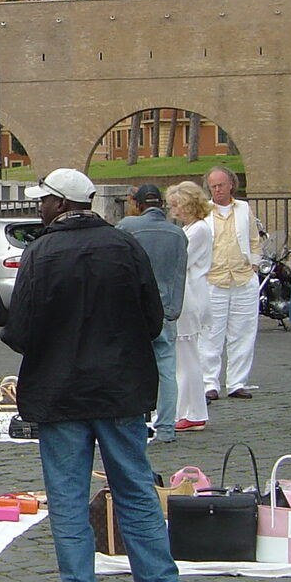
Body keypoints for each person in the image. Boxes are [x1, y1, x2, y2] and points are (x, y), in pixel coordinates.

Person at [1, 168, 183, 582]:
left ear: (61, 204)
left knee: (67, 499)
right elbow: (153, 320)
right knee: (135, 490)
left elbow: (19, 331)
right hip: (120, 389)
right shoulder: (124, 246)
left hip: (60, 393)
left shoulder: (40, 253)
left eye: (43, 200)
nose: (38, 207)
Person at [117, 185, 187, 443]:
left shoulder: (127, 227)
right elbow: (180, 275)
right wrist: (173, 310)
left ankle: (132, 424)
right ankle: (166, 427)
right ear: (162, 204)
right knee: (167, 370)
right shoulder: (177, 234)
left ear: (137, 204)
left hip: (132, 310)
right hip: (165, 309)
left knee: (130, 368)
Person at [200, 167, 264, 401]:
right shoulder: (204, 211)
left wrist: (254, 264)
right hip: (213, 279)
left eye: (220, 185)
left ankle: (237, 382)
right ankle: (209, 382)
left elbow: (254, 239)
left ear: (231, 185)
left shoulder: (244, 208)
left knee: (243, 333)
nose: (217, 190)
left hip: (242, 277)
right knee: (211, 334)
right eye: (213, 186)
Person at [166, 181, 214, 434]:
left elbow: (180, 260)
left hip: (190, 294)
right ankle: (184, 409)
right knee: (182, 357)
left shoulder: (198, 231)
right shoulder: (190, 229)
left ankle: (192, 411)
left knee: (187, 356)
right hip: (188, 292)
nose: (172, 210)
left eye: (176, 205)